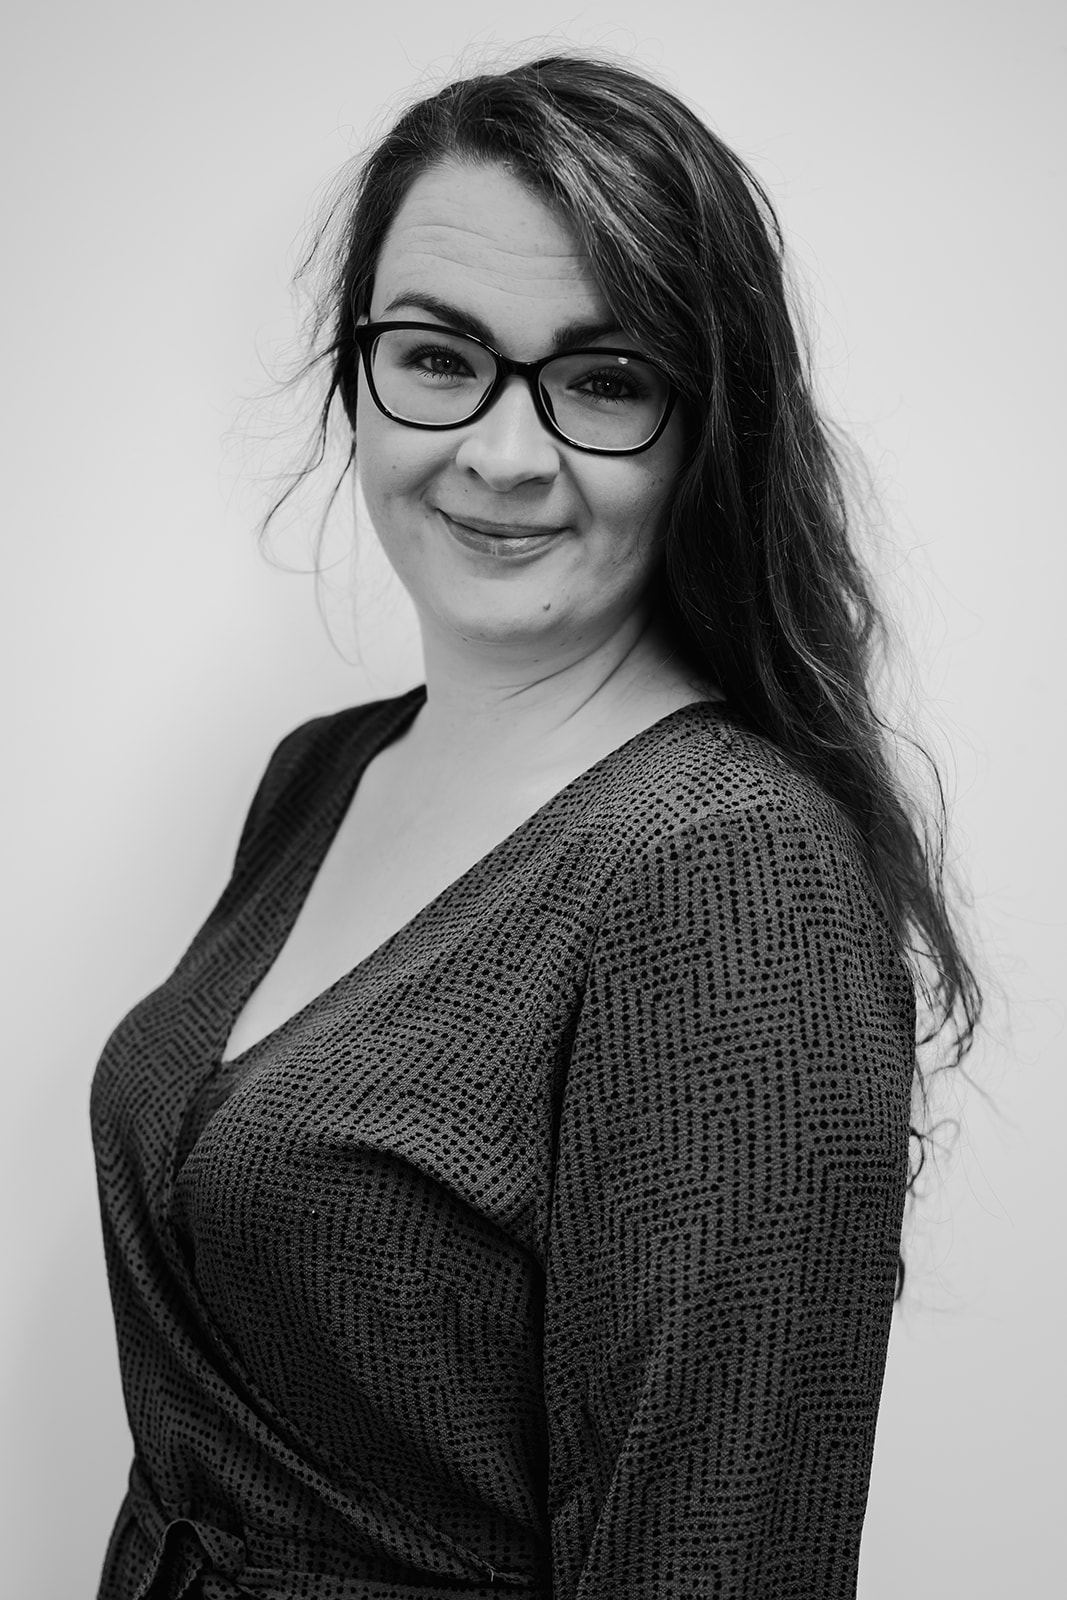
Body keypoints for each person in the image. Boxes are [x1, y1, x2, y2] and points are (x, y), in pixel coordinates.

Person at [90, 53, 980, 1600]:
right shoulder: (321, 774)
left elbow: (723, 1559)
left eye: (603, 380)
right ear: (357, 374)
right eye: (439, 357)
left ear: (712, 427)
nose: (504, 456)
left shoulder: (726, 875)